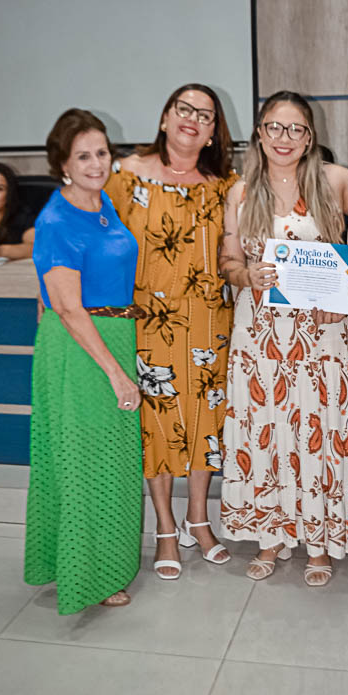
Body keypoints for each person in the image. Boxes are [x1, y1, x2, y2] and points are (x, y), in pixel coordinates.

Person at [219, 90, 348, 587]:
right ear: (259, 133)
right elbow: (227, 263)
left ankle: (319, 540)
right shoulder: (241, 192)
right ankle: (271, 535)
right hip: (260, 339)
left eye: (296, 129)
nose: (284, 139)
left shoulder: (335, 181)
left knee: (318, 431)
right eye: (274, 127)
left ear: (310, 138)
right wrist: (246, 277)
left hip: (321, 338)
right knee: (267, 430)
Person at [106, 84, 237, 580]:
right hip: (147, 320)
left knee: (207, 423)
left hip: (209, 320)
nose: (193, 119)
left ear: (212, 133)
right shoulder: (125, 177)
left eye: (206, 115)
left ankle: (198, 518)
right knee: (156, 425)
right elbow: (99, 244)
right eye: (185, 109)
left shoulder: (226, 185)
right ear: (164, 118)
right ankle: (164, 525)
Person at [24, 109, 143, 614]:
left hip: (108, 336)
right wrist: (115, 373)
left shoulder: (102, 205)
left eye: (102, 152)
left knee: (106, 462)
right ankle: (87, 575)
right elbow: (67, 307)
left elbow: (48, 294)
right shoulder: (55, 218)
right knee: (86, 463)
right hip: (85, 349)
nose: (97, 163)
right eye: (84, 156)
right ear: (63, 165)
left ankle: (90, 562)